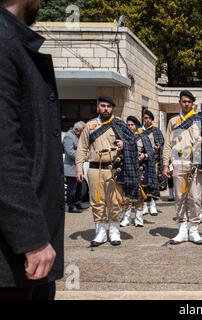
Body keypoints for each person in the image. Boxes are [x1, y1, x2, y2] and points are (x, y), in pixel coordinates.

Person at [0, 1, 65, 300]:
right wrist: (32, 237)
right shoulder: (3, 42)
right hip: (15, 256)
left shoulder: (13, 40)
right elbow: (3, 149)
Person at [76, 96, 140, 247]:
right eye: (103, 106)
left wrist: (124, 144)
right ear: (98, 107)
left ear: (112, 108)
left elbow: (132, 142)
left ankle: (114, 231)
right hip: (94, 168)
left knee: (115, 201)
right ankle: (100, 232)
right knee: (97, 201)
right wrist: (79, 167)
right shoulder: (90, 125)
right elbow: (82, 147)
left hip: (114, 169)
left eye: (108, 106)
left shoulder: (119, 124)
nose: (105, 108)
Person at [162, 90, 202, 245]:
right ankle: (182, 229)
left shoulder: (200, 119)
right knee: (179, 196)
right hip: (177, 162)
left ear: (192, 103)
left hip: (194, 162)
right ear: (180, 102)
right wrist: (165, 164)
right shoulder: (173, 121)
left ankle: (194, 229)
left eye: (189, 101)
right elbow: (168, 143)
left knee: (195, 197)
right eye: (184, 101)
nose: (186, 104)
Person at [121, 116, 160, 227]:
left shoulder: (143, 137)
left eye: (132, 125)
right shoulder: (123, 137)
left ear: (137, 126)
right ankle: (126, 218)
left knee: (139, 196)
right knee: (127, 196)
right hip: (127, 169)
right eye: (128, 125)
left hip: (140, 170)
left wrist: (144, 155)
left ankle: (138, 219)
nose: (130, 127)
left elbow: (151, 153)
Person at [141, 110, 166, 216]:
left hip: (154, 161)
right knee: (144, 183)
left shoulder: (156, 131)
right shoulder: (140, 131)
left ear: (152, 119)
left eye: (149, 118)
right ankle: (145, 206)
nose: (147, 120)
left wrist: (158, 146)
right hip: (143, 161)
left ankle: (153, 205)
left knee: (153, 184)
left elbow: (161, 142)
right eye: (145, 118)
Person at [63, 121, 86, 213]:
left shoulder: (76, 136)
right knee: (72, 189)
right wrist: (82, 155)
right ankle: (71, 206)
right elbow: (70, 152)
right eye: (81, 131)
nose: (82, 133)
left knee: (79, 188)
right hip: (71, 168)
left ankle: (77, 203)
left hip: (77, 167)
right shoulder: (69, 136)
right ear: (77, 130)